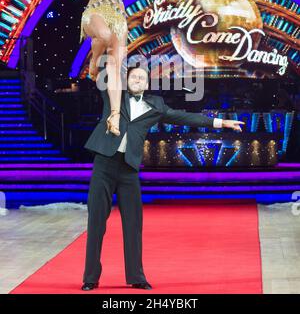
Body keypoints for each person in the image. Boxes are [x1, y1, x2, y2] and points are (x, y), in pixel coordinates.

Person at [16, 0, 208, 137]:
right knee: (104, 36)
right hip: (95, 13)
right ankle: (94, 63)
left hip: (118, 15)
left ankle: (114, 116)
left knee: (116, 68)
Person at [82, 65, 244, 291]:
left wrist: (220, 123)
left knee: (133, 224)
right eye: (134, 76)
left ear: (147, 84)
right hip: (104, 165)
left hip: (129, 169)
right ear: (126, 80)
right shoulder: (114, 94)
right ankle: (90, 278)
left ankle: (136, 277)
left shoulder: (155, 105)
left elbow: (184, 117)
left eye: (142, 78)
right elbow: (103, 70)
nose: (137, 79)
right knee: (96, 221)